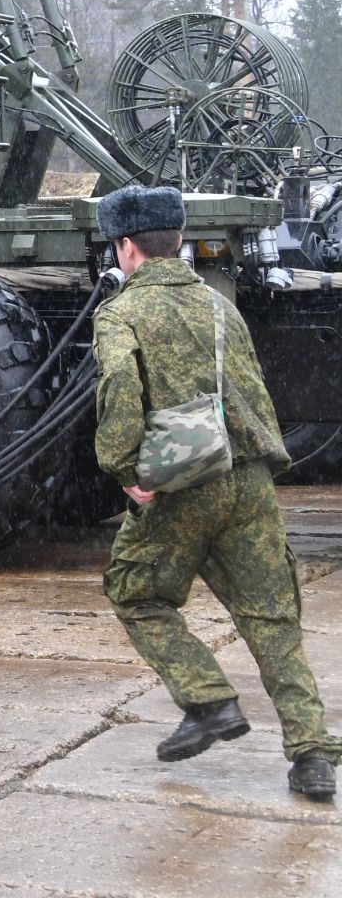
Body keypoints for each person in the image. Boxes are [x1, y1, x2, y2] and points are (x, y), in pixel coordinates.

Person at [92, 184, 339, 799]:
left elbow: (121, 389)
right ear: (175, 241)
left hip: (180, 484)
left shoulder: (120, 314)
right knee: (272, 620)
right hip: (247, 477)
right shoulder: (218, 306)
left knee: (136, 591)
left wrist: (126, 470)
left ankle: (208, 700)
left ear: (126, 247)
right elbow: (252, 392)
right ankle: (312, 755)